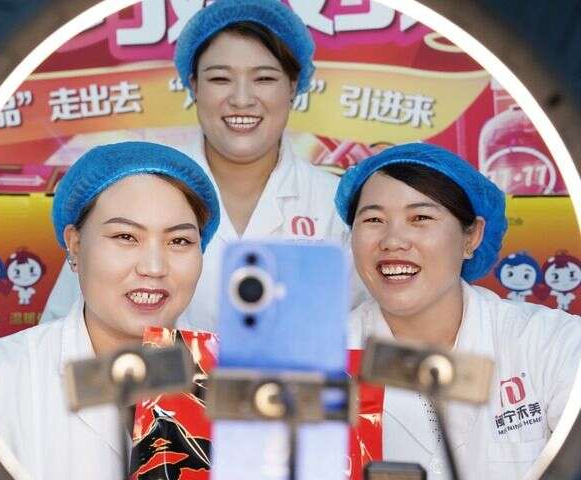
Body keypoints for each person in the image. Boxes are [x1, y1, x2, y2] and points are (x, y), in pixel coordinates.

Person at [40, 0, 364, 331]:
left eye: (264, 78)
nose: (241, 99)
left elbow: (364, 332)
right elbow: (61, 331)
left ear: (293, 86)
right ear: (194, 85)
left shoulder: (338, 210)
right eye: (220, 79)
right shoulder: (127, 188)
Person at [0, 142, 220, 480]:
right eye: (126, 236)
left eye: (179, 241)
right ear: (75, 245)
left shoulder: (239, 382)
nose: (154, 267)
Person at [335, 143, 581, 480]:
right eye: (374, 219)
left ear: (472, 237)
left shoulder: (551, 343)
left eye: (420, 218)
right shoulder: (320, 359)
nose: (393, 240)